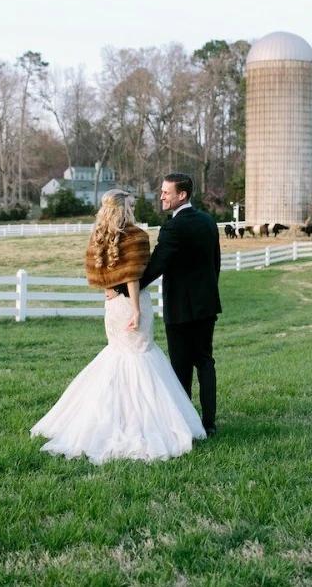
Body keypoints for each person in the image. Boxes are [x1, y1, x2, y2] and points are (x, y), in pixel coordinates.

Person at [30, 189, 206, 464]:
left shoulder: (99, 236)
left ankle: (114, 417)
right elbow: (133, 278)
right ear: (124, 208)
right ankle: (142, 422)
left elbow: (100, 273)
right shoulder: (135, 236)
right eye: (132, 205)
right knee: (139, 358)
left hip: (111, 306)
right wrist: (135, 308)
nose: (134, 209)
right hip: (129, 304)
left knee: (117, 358)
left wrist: (110, 289)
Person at [139, 173, 221, 436]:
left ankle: (185, 423)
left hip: (180, 309)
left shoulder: (172, 228)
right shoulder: (209, 221)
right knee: (205, 362)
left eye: (166, 192)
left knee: (181, 368)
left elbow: (155, 266)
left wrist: (125, 288)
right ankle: (209, 423)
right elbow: (215, 264)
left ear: (181, 195)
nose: (161, 196)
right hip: (206, 305)